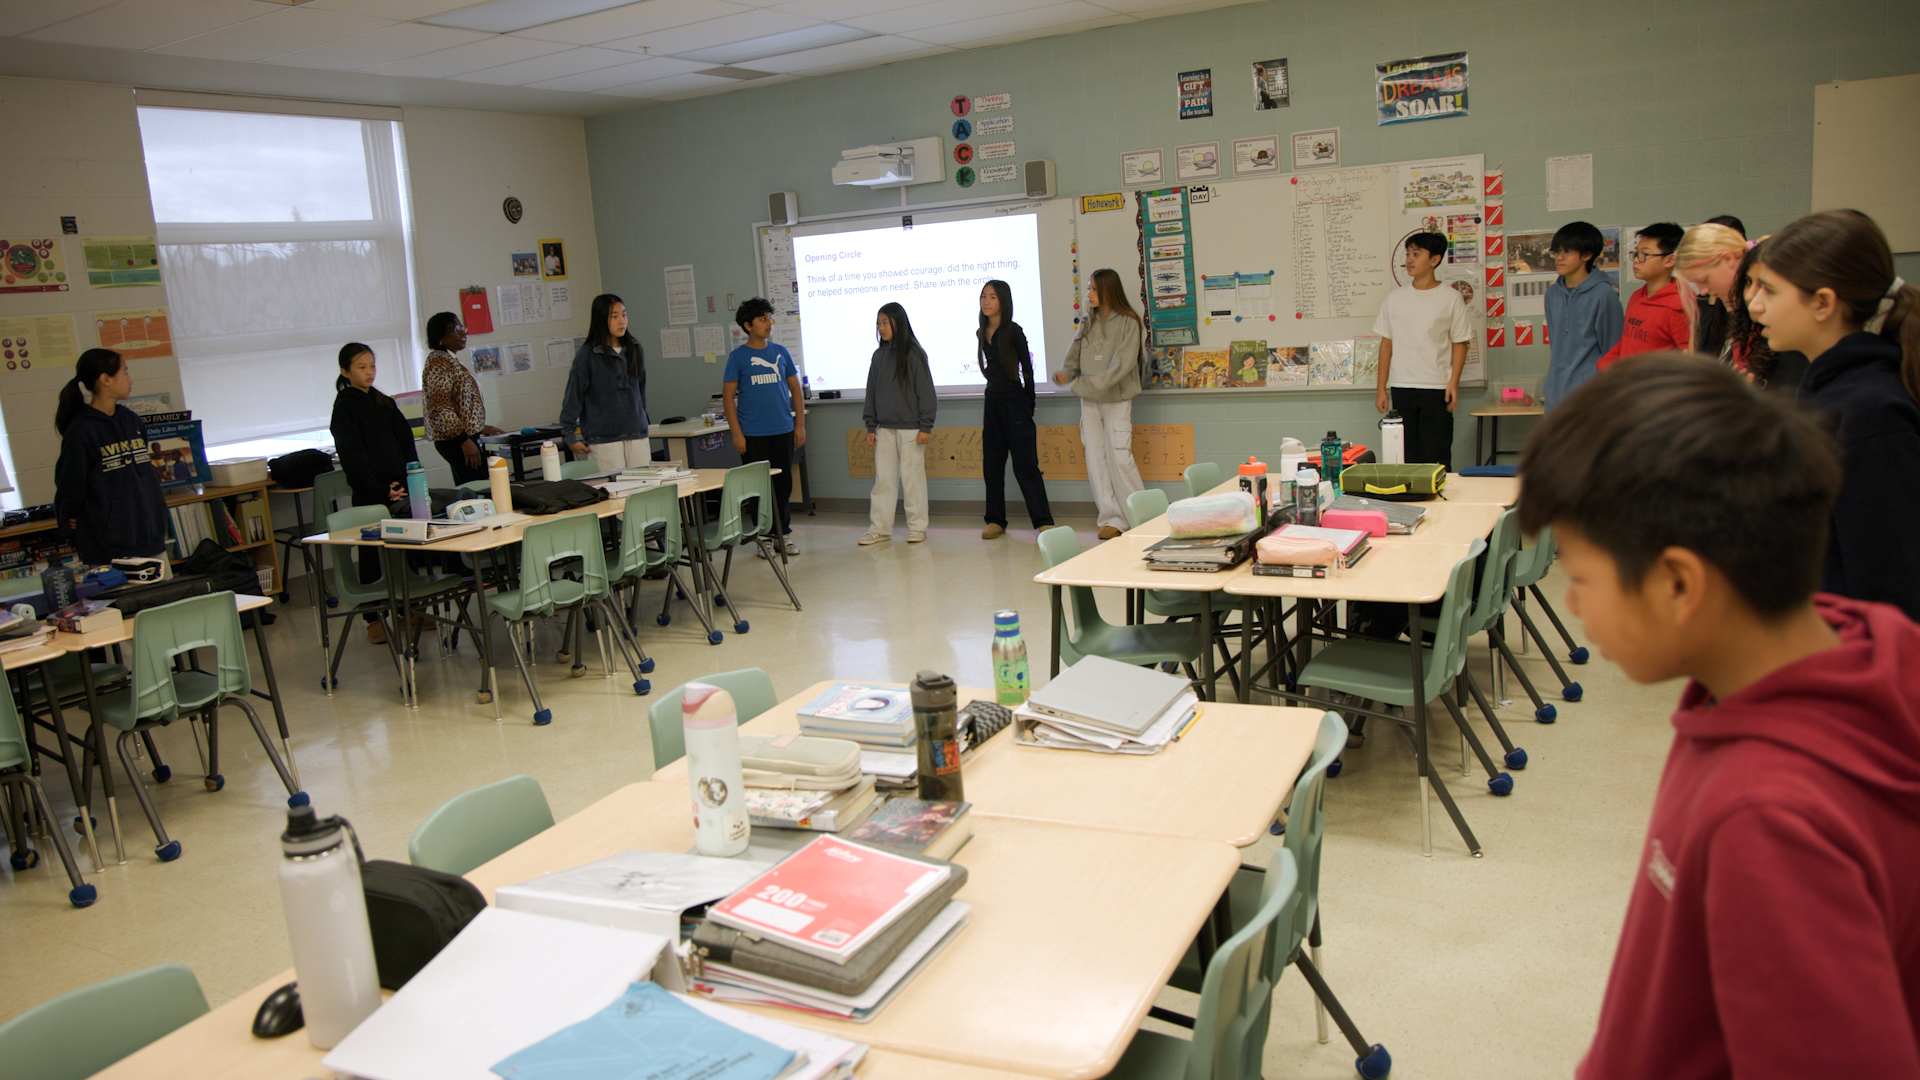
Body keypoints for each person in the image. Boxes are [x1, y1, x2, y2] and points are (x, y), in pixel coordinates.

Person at [1516, 355, 1920, 1080]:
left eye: (1579, 577)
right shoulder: (1842, 648)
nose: (1572, 606)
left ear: (1677, 582)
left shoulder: (1769, 821)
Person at [1748, 209, 1920, 621]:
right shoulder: (1826, 388)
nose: (1754, 304)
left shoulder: (1872, 413)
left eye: (1769, 290)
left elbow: (1890, 591)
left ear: (1823, 302)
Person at [52, 348, 169, 581]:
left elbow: (142, 475)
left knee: (165, 608)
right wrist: (73, 526)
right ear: (105, 379)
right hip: (109, 548)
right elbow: (69, 486)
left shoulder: (131, 420)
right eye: (125, 373)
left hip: (149, 538)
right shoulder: (81, 430)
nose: (130, 380)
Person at [329, 342, 416, 643]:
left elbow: (405, 442)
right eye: (361, 367)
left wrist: (405, 481)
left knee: (408, 547)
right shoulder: (345, 406)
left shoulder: (383, 402)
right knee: (372, 555)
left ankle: (410, 608)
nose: (369, 372)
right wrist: (380, 489)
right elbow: (353, 456)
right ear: (345, 371)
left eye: (372, 366)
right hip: (370, 492)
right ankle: (374, 618)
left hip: (399, 487)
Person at [1053, 268, 1144, 539]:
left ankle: (1140, 516)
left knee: (1119, 457)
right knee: (1096, 459)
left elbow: (1123, 362)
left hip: (1116, 399)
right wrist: (1065, 374)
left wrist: (1099, 381)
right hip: (1090, 402)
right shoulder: (1087, 321)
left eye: (1093, 289)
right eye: (1089, 289)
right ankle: (1112, 518)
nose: (1089, 294)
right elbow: (1074, 356)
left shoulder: (1129, 322)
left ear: (1107, 290)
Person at [1371, 232, 1471, 467]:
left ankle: (1439, 503)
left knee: (1436, 456)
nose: (1410, 260)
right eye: (1408, 254)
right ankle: (1410, 500)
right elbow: (1386, 345)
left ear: (1434, 260)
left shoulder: (1451, 298)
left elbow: (1460, 343)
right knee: (1406, 456)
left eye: (1416, 254)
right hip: (1402, 386)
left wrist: (1453, 383)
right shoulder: (1395, 299)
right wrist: (1381, 389)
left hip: (1436, 387)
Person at [723, 297, 803, 555]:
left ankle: (783, 535)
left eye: (769, 317)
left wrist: (799, 425)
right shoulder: (738, 357)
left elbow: (794, 388)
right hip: (752, 434)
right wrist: (737, 433)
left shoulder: (780, 352)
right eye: (762, 319)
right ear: (748, 325)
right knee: (757, 488)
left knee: (783, 486)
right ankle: (763, 537)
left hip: (782, 429)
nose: (769, 323)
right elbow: (728, 397)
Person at [976, 279, 1053, 538]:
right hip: (992, 403)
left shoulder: (1013, 331)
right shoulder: (981, 331)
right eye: (984, 296)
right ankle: (996, 520)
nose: (986, 301)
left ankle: (1043, 519)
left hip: (1015, 402)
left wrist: (1029, 403)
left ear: (1003, 301)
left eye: (992, 297)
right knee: (992, 465)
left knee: (1025, 465)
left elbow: (1028, 371)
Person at [859, 302, 935, 546]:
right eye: (878, 323)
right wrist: (871, 425)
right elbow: (871, 391)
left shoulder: (914, 354)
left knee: (912, 479)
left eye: (886, 322)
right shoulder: (878, 356)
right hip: (885, 428)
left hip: (911, 429)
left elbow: (926, 392)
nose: (881, 327)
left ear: (898, 323)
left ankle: (917, 527)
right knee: (884, 480)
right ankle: (880, 528)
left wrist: (926, 425)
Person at [560, 294, 651, 471]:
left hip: (637, 435)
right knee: (614, 490)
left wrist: (643, 422)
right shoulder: (587, 356)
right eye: (614, 316)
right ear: (601, 319)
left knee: (644, 488)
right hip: (604, 440)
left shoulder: (635, 348)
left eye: (624, 315)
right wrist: (569, 435)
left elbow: (641, 391)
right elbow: (573, 397)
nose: (621, 321)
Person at [1542, 221, 1622, 409]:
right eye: (1557, 252)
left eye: (1567, 251)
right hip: (1556, 392)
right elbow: (1556, 345)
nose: (1559, 258)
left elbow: (1613, 351)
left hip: (1591, 395)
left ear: (1587, 254)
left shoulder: (1604, 294)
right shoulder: (1552, 294)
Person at [420, 312, 501, 485]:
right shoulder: (439, 362)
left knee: (475, 488)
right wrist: (464, 440)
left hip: (462, 437)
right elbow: (440, 407)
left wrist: (478, 427)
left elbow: (460, 406)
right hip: (457, 441)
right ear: (441, 335)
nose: (463, 333)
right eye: (457, 329)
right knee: (479, 489)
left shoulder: (449, 360)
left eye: (462, 328)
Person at [1598, 223, 1689, 370]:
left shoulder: (1679, 306)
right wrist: (1605, 365)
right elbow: (1626, 342)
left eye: (1644, 255)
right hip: (1628, 388)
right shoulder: (1637, 296)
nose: (1636, 260)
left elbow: (1690, 361)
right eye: (1636, 253)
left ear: (1670, 260)